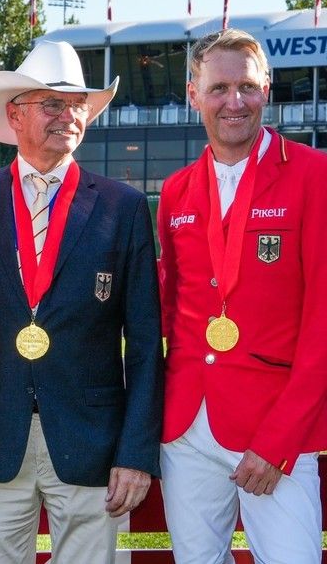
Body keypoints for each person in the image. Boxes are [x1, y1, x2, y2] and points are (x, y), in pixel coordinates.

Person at [0, 41, 164, 563]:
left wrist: (135, 453)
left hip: (92, 441)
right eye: (52, 104)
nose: (67, 116)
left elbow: (146, 343)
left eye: (77, 104)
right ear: (15, 114)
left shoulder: (122, 206)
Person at [157, 29, 327, 563]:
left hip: (275, 427)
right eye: (219, 88)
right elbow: (168, 308)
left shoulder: (314, 176)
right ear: (193, 94)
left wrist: (278, 440)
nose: (235, 102)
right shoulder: (177, 190)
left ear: (267, 89)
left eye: (247, 87)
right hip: (188, 426)